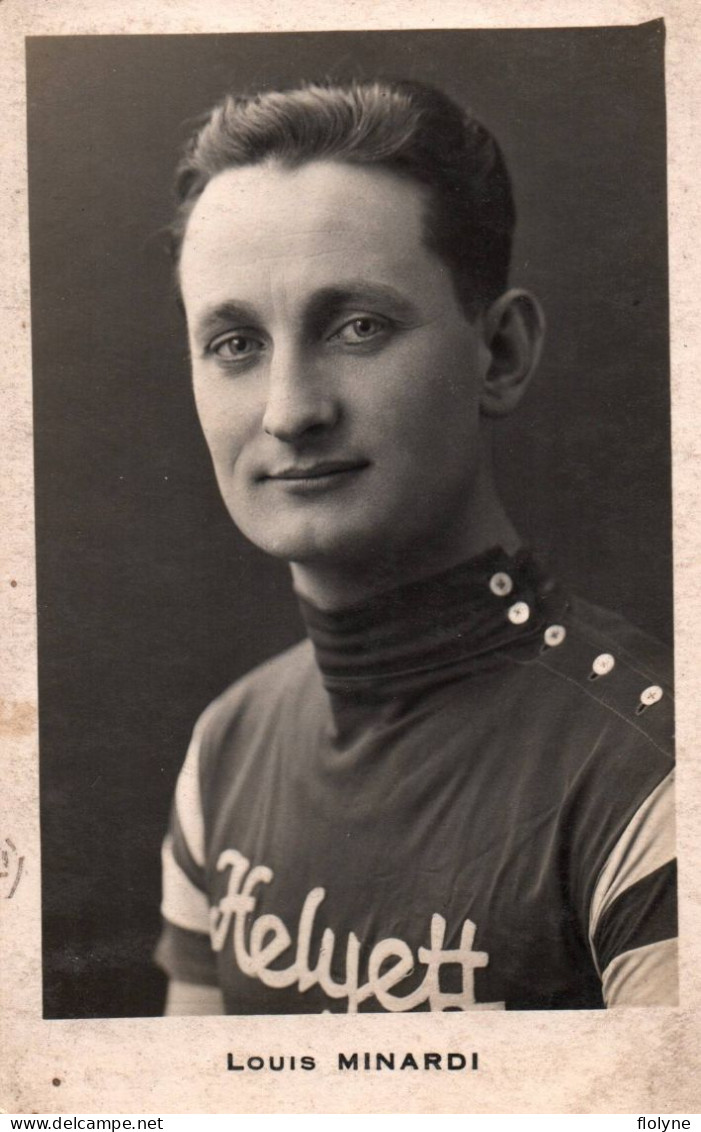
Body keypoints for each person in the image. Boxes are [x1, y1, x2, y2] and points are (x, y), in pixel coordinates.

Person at [154, 78, 676, 1014]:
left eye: (358, 327)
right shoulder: (226, 748)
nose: (288, 411)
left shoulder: (651, 775)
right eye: (235, 343)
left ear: (501, 353)